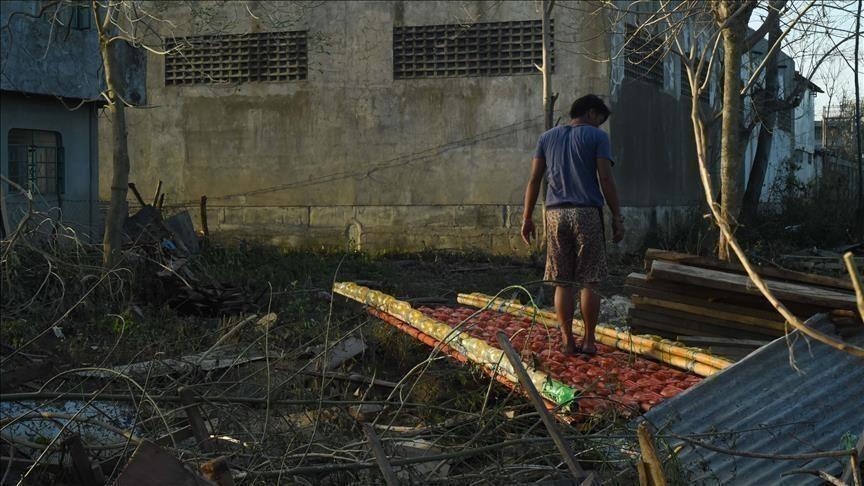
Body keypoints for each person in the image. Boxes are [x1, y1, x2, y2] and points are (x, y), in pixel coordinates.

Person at [521, 94, 624, 356]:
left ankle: (567, 342)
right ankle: (589, 342)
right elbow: (606, 178)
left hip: (554, 214)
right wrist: (617, 215)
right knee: (590, 280)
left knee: (562, 281)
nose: (599, 126)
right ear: (591, 113)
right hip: (586, 213)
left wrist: (527, 218)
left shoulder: (546, 138)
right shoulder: (597, 137)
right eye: (599, 120)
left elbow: (534, 180)